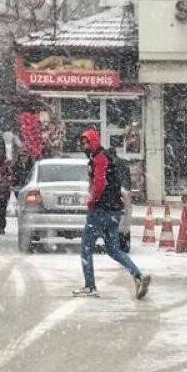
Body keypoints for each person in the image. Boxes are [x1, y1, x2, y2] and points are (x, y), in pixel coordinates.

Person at [73, 128, 150, 299]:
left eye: (86, 142)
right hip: (114, 212)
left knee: (86, 248)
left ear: (94, 142)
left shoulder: (100, 159)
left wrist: (91, 201)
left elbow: (99, 185)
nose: (84, 146)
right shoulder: (106, 158)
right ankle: (138, 275)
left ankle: (90, 286)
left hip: (100, 211)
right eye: (82, 143)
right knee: (114, 250)